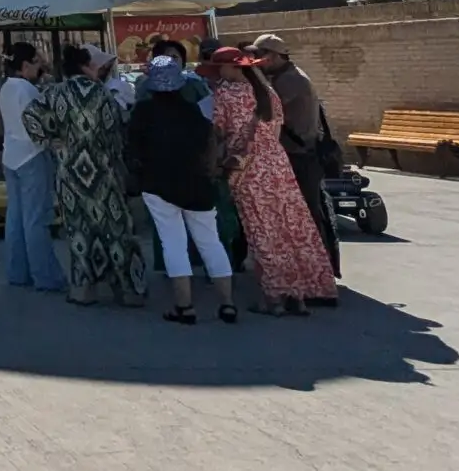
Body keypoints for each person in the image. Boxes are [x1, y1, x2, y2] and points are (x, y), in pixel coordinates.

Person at [208, 46, 337, 314]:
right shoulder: (268, 92)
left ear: (233, 67)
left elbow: (218, 131)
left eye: (220, 67)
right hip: (277, 165)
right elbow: (275, 129)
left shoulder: (226, 93)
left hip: (248, 169)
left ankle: (274, 297)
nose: (218, 73)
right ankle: (299, 295)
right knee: (291, 229)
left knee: (262, 233)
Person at [25, 43, 141, 304]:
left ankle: (84, 289)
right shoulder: (102, 94)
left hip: (70, 172)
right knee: (115, 226)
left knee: (78, 228)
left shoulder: (54, 93)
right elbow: (114, 136)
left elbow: (31, 115)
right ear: (87, 66)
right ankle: (126, 288)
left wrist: (49, 141)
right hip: (103, 171)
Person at [127, 55, 237, 324]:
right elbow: (208, 144)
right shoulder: (193, 111)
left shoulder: (143, 112)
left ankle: (184, 306)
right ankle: (227, 304)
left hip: (158, 184)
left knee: (173, 243)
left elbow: (132, 148)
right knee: (211, 242)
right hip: (198, 184)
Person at [249, 33, 340, 276]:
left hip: (299, 155)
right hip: (297, 154)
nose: (256, 61)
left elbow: (265, 109)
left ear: (273, 56)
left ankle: (319, 272)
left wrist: (253, 75)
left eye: (259, 56)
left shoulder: (290, 81)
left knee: (305, 215)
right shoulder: (285, 76)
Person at [0, 42, 66, 292]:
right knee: (36, 218)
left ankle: (18, 272)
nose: (41, 68)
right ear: (25, 65)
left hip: (11, 156)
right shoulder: (27, 90)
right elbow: (40, 126)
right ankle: (45, 277)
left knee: (15, 217)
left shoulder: (5, 88)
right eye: (37, 62)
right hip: (32, 156)